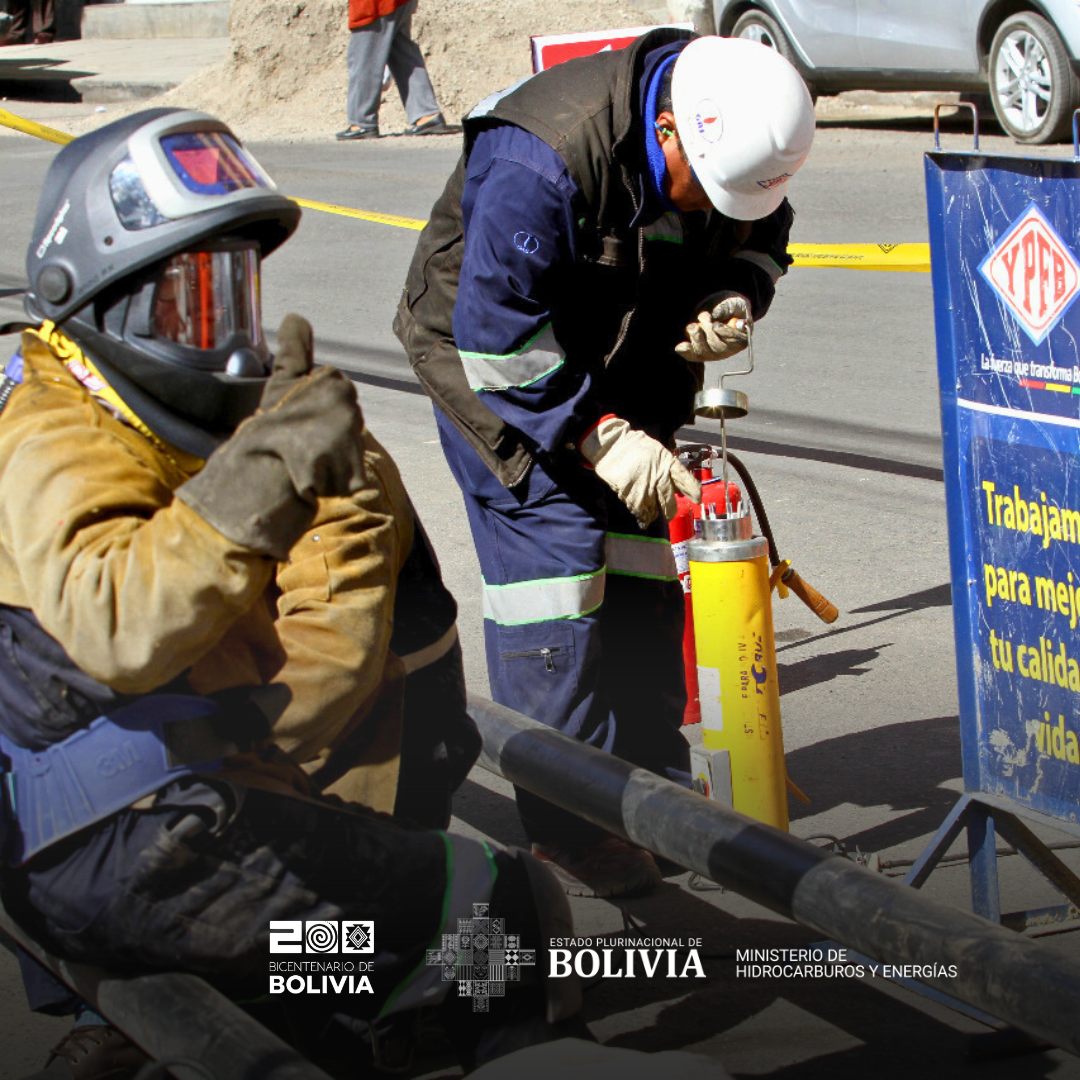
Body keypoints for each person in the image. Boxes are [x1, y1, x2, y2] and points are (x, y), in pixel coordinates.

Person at [0, 107, 582, 1079]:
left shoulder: (81, 405)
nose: (226, 342)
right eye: (189, 301)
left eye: (235, 293)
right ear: (95, 297)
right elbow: (141, 630)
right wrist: (267, 474)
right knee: (494, 906)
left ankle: (224, 1014)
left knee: (319, 954)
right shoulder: (75, 434)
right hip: (169, 845)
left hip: (95, 843)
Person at [394, 31, 815, 899]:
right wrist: (598, 437)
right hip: (500, 370)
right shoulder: (543, 158)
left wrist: (738, 289)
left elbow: (766, 229)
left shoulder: (738, 138)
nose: (713, 213)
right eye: (706, 196)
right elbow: (498, 337)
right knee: (557, 573)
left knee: (639, 566)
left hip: (619, 357)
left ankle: (649, 790)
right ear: (668, 134)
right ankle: (571, 826)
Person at [336, 0, 449, 141]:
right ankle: (426, 115)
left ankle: (362, 122)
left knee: (364, 57)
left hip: (373, 5)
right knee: (402, 52)